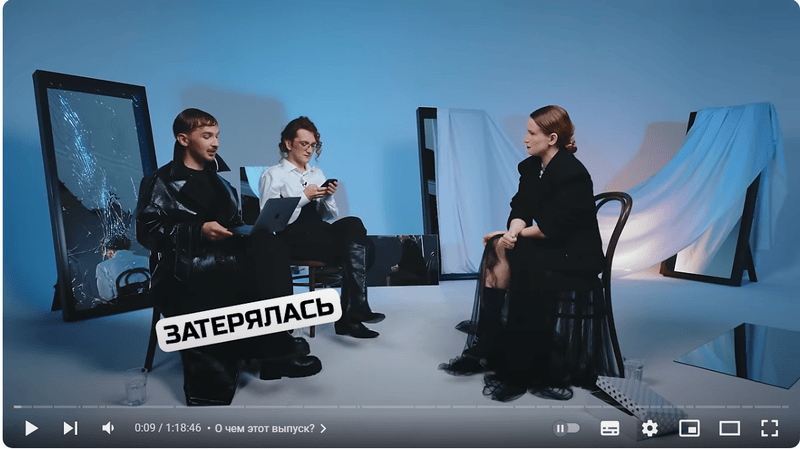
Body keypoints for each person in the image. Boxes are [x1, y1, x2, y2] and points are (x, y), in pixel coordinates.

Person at [136, 108, 322, 406]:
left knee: (271, 244)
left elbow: (233, 222)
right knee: (257, 258)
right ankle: (274, 347)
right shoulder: (160, 181)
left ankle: (276, 346)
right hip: (188, 268)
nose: (216, 143)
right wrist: (198, 230)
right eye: (207, 136)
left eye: (217, 136)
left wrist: (246, 230)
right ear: (183, 139)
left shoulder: (222, 183)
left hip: (228, 259)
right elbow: (147, 233)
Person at [439, 105, 622, 402]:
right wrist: (511, 231)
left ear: (552, 138)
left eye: (531, 133)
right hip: (549, 244)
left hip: (575, 254)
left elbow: (555, 228)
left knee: (507, 249)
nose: (525, 139)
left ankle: (502, 347)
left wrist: (510, 236)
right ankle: (488, 340)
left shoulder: (573, 173)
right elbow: (521, 205)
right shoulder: (530, 167)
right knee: (498, 247)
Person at [259, 116, 385, 338]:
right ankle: (352, 315)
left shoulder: (316, 173)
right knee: (363, 247)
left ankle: (354, 311)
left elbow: (329, 215)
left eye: (313, 145)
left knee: (355, 226)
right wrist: (304, 197)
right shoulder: (273, 174)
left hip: (318, 232)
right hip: (292, 238)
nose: (309, 150)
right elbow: (270, 221)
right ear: (288, 144)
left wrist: (327, 196)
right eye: (304, 144)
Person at [95, 234, 149, 301]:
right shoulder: (145, 259)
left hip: (124, 305)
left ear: (109, 250)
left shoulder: (102, 267)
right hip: (149, 302)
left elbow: (107, 296)